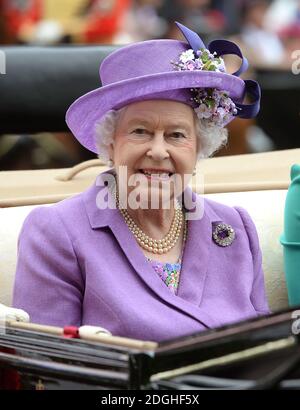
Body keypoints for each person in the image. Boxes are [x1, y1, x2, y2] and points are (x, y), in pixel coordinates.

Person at [13, 22, 270, 342]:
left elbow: (267, 349)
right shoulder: (56, 231)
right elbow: (49, 365)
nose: (158, 151)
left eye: (176, 135)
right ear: (110, 143)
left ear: (199, 147)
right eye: (141, 132)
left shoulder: (237, 228)